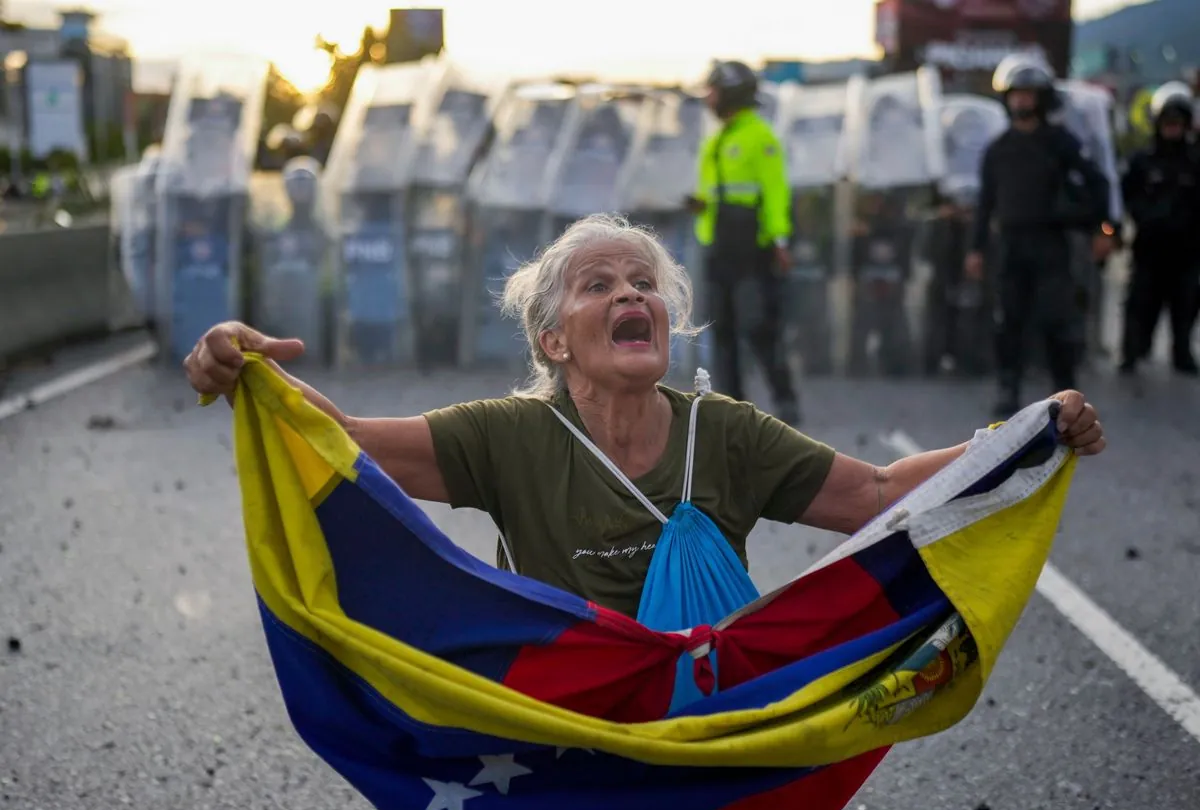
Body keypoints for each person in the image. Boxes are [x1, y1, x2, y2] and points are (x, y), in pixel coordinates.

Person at [184, 213, 1106, 619]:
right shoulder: (508, 437)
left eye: (645, 283)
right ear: (552, 341)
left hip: (703, 730)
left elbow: (875, 493)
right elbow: (341, 446)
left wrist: (1020, 436)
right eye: (599, 285)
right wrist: (238, 364)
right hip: (564, 728)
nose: (633, 294)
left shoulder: (727, 432)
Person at [965, 55, 1110, 417]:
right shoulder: (998, 150)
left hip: (1051, 245)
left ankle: (1066, 393)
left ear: (1041, 98)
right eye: (1016, 94)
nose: (1022, 101)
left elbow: (1097, 181)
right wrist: (976, 248)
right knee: (1008, 320)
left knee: (1056, 320)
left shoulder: (1060, 142)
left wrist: (1102, 228)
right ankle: (1007, 386)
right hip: (1011, 245)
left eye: (1029, 94)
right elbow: (985, 203)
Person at [687, 60, 801, 425]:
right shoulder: (718, 137)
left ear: (732, 92)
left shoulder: (759, 136)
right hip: (719, 245)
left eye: (713, 90)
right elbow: (718, 190)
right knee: (722, 329)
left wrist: (780, 241)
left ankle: (785, 400)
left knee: (758, 327)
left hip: (752, 246)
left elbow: (775, 192)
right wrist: (701, 205)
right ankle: (732, 405)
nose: (708, 98)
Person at [1118, 81, 1200, 376]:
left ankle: (1182, 353)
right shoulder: (1142, 160)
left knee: (1186, 306)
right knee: (1139, 303)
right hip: (1149, 248)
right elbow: (1124, 197)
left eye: (1178, 122)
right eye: (1168, 122)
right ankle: (1131, 353)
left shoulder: (1195, 160)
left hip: (1188, 250)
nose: (1173, 128)